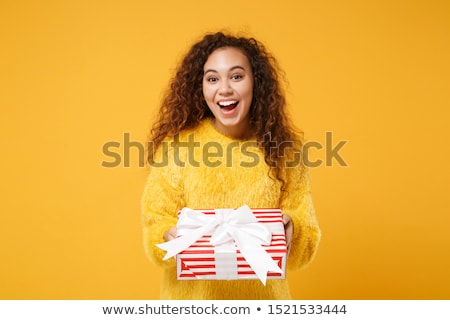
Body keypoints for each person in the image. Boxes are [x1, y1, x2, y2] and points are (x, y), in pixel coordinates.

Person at [141, 31, 321, 299]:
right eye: (212, 78)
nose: (224, 89)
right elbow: (154, 226)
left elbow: (304, 247)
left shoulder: (285, 150)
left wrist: (291, 230)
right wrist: (171, 237)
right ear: (200, 87)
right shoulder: (177, 147)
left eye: (236, 76)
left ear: (256, 83)